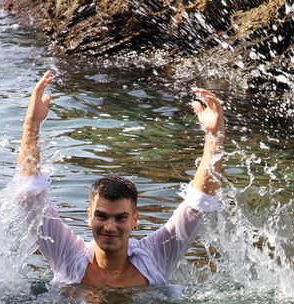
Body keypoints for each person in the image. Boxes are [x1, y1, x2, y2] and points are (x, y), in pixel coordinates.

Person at [16, 71, 225, 288]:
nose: (109, 226)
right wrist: (32, 123)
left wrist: (215, 136)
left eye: (120, 218)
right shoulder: (68, 255)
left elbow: (197, 204)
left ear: (135, 219)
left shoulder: (155, 257)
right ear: (89, 217)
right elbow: (29, 197)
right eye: (101, 216)